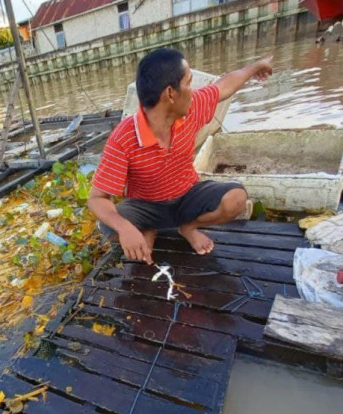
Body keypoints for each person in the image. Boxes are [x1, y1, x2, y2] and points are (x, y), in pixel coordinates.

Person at [88, 48, 273, 264]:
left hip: (187, 195)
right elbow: (97, 199)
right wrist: (126, 229)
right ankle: (149, 229)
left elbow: (223, 86)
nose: (192, 90)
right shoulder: (123, 138)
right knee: (109, 226)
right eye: (188, 83)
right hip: (146, 206)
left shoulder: (192, 108)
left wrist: (255, 67)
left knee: (236, 198)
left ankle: (188, 227)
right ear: (170, 93)